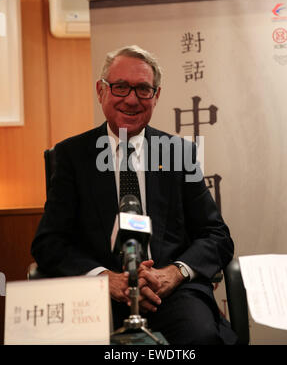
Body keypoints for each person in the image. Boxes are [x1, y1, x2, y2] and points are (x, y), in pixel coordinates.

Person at [31, 45, 237, 345]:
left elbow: (216, 236)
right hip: (96, 296)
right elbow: (48, 243)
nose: (131, 99)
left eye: (143, 89)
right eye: (120, 87)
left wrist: (174, 273)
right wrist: (105, 278)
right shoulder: (72, 156)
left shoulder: (178, 154)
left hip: (169, 292)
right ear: (101, 91)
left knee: (201, 336)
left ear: (156, 95)